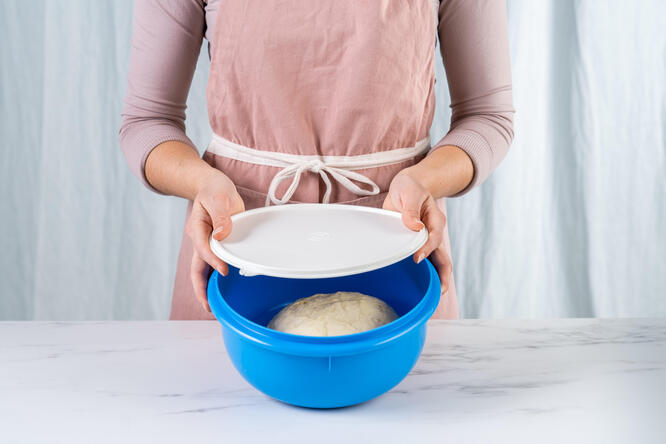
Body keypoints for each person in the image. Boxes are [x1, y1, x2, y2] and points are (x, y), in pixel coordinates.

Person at [119, 0, 514, 320]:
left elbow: (488, 115)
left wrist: (425, 181)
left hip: (395, 240)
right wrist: (202, 183)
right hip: (238, 245)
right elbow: (148, 121)